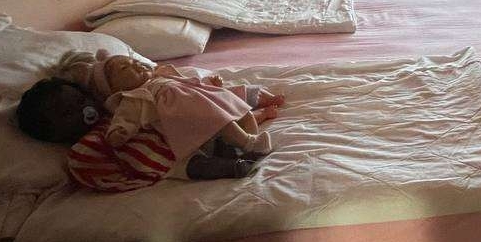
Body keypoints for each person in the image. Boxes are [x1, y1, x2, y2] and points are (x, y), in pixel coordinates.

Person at [16, 76, 260, 189]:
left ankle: (236, 149)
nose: (83, 109)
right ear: (52, 133)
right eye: (66, 112)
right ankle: (233, 167)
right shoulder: (83, 150)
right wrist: (135, 179)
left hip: (177, 138)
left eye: (82, 100)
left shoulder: (114, 113)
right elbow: (101, 175)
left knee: (212, 132)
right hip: (162, 163)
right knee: (195, 166)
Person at [57, 50, 284, 160]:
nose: (136, 65)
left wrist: (209, 83)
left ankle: (255, 125)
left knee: (237, 106)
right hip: (195, 120)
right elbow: (125, 118)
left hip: (206, 101)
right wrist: (119, 131)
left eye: (134, 61)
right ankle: (248, 142)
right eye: (125, 68)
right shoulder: (133, 97)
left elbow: (190, 83)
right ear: (114, 89)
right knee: (222, 120)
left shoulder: (160, 76)